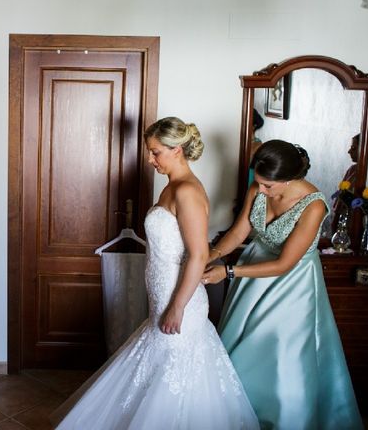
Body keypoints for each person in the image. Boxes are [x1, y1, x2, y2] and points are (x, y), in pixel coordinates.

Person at [52, 117, 258, 429]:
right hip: (164, 294)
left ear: (177, 150)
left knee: (174, 376)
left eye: (155, 152)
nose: (149, 159)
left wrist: (177, 306)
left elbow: (199, 254)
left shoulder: (187, 191)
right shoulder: (172, 187)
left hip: (181, 300)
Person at [204, 139, 363, 430]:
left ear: (290, 179)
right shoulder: (259, 184)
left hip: (291, 282)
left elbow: (284, 264)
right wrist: (211, 256)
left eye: (268, 186)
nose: (260, 190)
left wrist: (227, 272)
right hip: (251, 271)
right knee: (237, 345)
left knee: (278, 352)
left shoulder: (313, 206)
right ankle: (238, 417)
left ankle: (283, 419)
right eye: (259, 183)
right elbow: (240, 232)